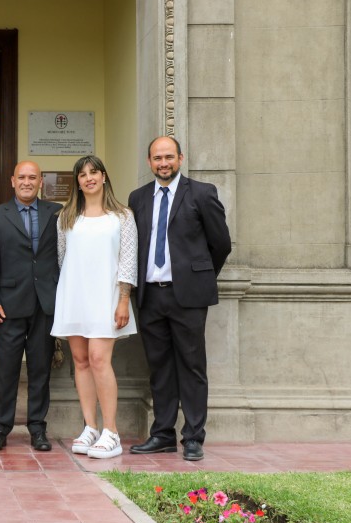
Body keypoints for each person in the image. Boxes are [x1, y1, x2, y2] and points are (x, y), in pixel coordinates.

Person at [128, 136, 231, 462]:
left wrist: (197, 278)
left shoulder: (201, 193)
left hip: (187, 296)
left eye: (169, 157)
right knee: (159, 368)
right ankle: (162, 434)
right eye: (157, 158)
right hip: (150, 296)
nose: (163, 163)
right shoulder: (138, 198)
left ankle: (193, 437)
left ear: (180, 158)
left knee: (191, 366)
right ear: (149, 162)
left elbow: (221, 244)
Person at [51, 155, 138, 459]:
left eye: (93, 173)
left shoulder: (123, 217)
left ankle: (111, 432)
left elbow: (127, 261)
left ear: (103, 177)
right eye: (82, 174)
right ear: (77, 181)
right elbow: (63, 260)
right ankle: (90, 427)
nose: (88, 178)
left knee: (100, 360)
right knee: (80, 360)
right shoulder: (67, 218)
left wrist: (123, 299)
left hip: (107, 297)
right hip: (74, 295)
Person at [0, 161, 61, 452]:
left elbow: (63, 258)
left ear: (41, 181)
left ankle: (38, 429)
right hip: (9, 306)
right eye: (22, 177)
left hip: (45, 304)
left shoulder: (57, 213)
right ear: (12, 181)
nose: (27, 182)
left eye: (33, 177)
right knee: (7, 371)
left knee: (41, 370)